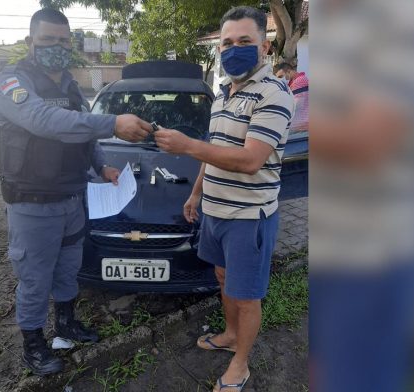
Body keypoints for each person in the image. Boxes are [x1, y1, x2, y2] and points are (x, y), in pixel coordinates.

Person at [0, 8, 152, 376]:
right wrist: (112, 123)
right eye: (47, 40)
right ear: (30, 41)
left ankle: (66, 324)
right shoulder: (11, 82)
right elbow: (43, 121)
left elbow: (84, 134)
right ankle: (33, 345)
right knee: (35, 278)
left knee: (68, 270)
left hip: (73, 199)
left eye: (63, 41)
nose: (56, 47)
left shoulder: (70, 85)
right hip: (32, 203)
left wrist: (102, 166)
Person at [154, 6, 294, 392]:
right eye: (228, 43)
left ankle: (241, 364)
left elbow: (250, 160)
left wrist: (187, 144)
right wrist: (195, 193)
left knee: (246, 294)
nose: (234, 49)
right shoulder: (223, 95)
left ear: (264, 48)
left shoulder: (273, 94)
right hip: (215, 210)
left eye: (245, 42)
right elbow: (212, 151)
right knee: (222, 277)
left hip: (248, 216)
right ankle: (231, 334)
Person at [273, 62, 308, 132]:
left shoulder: (299, 81)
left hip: (302, 126)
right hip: (300, 125)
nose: (280, 80)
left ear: (289, 71)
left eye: (280, 76)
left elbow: (298, 104)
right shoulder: (294, 82)